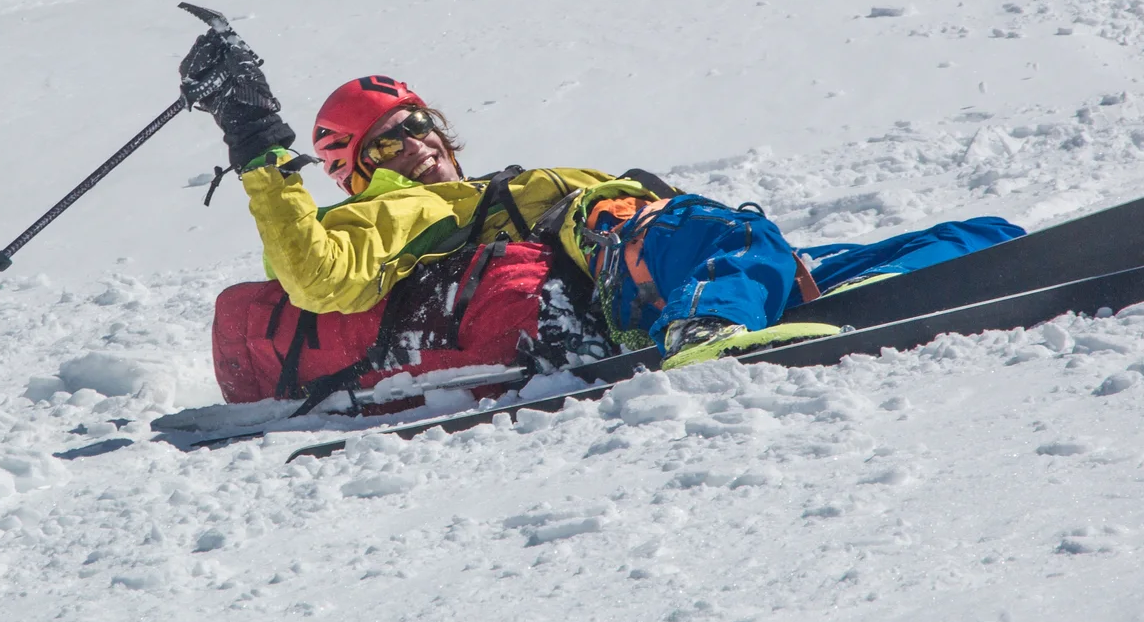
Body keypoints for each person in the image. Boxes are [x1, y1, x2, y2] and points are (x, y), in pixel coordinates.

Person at [178, 23, 1022, 396]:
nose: (418, 141)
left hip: (671, 254)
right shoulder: (394, 214)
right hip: (638, 259)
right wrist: (255, 139)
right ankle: (710, 329)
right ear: (359, 174)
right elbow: (314, 275)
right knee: (736, 238)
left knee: (971, 236)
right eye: (388, 141)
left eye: (420, 121)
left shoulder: (478, 188)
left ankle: (989, 258)